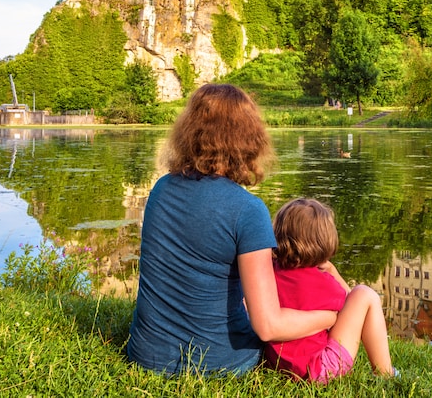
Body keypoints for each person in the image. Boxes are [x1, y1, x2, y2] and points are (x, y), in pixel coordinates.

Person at [126, 84, 336, 375]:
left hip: (145, 354)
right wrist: (328, 317)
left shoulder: (161, 189)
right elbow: (268, 327)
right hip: (217, 363)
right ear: (249, 139)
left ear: (189, 131)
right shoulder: (248, 210)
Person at [264, 198, 395, 383]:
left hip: (279, 364)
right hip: (318, 370)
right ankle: (385, 373)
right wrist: (333, 272)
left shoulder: (269, 271)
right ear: (324, 241)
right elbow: (353, 308)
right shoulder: (321, 282)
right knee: (365, 294)